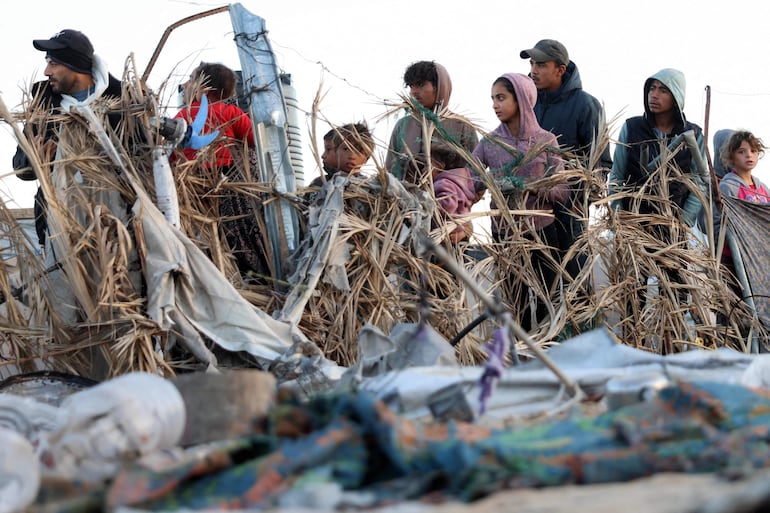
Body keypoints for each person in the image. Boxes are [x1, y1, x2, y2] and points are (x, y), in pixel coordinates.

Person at [608, 68, 710, 338]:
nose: (654, 95)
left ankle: (673, 354)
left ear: (676, 96)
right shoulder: (632, 128)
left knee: (675, 295)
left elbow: (701, 179)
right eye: (652, 88)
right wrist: (619, 216)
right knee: (633, 293)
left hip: (673, 227)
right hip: (635, 223)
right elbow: (617, 176)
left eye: (663, 90)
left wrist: (684, 219)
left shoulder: (693, 134)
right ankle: (633, 349)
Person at [470, 72, 567, 331]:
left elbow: (562, 190)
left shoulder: (545, 141)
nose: (495, 105)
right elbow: (472, 182)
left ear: (522, 99)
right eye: (492, 98)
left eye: (501, 98)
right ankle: (519, 363)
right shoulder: (489, 143)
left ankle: (548, 359)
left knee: (549, 303)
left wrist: (531, 187)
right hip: (505, 234)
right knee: (516, 306)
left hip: (543, 233)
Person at [12, 29, 123, 248]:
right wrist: (34, 160)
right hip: (59, 231)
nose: (46, 71)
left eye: (53, 64)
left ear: (74, 65)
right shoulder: (43, 107)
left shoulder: (123, 102)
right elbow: (19, 167)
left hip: (118, 231)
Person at [520, 39, 612, 285]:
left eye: (541, 64)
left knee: (575, 287)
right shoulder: (527, 105)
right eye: (532, 63)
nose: (533, 70)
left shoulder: (586, 106)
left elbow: (600, 164)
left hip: (569, 214)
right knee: (535, 288)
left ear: (561, 69)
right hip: (529, 211)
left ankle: (582, 325)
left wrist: (578, 201)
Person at [174, 62, 268, 280]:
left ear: (203, 88)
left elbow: (172, 151)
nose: (185, 85)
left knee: (198, 233)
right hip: (229, 184)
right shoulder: (231, 111)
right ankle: (251, 272)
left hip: (190, 184)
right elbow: (255, 141)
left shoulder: (183, 114)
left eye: (190, 79)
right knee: (236, 232)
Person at [385, 60, 478, 186]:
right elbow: (389, 172)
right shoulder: (403, 126)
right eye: (411, 86)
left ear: (439, 86)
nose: (414, 92)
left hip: (449, 202)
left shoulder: (461, 126)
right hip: (406, 203)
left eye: (420, 84)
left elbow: (476, 177)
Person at [309, 122, 374, 187]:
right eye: (346, 149)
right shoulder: (321, 183)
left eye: (359, 151)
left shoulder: (369, 187)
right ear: (336, 151)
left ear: (367, 158)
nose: (352, 156)